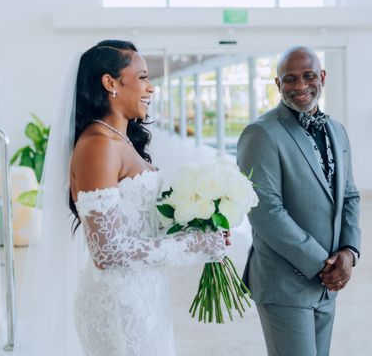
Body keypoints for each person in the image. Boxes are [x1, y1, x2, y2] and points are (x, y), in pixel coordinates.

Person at [18, 40, 228, 356]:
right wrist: (192, 245)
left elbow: (138, 224)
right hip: (117, 303)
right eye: (142, 77)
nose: (151, 88)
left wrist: (198, 230)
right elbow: (107, 251)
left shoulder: (122, 140)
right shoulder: (97, 145)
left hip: (143, 294)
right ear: (111, 83)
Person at [237, 46, 361, 356]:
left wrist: (348, 252)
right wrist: (324, 264)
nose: (300, 86)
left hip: (328, 281)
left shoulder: (337, 131)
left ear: (322, 77)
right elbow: (265, 211)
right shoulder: (261, 133)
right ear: (278, 85)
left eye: (308, 76)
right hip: (285, 283)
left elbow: (349, 195)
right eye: (289, 79)